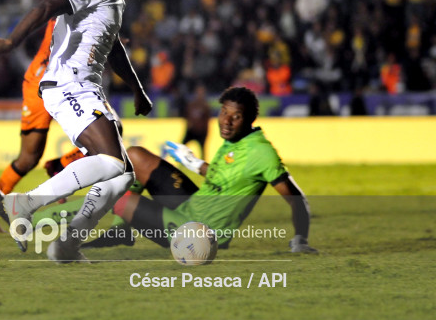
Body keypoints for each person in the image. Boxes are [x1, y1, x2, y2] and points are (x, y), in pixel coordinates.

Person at [0, 0, 154, 262]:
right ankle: (25, 203)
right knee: (113, 161)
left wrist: (137, 88)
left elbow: (113, 49)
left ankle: (67, 244)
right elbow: (47, 6)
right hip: (67, 84)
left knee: (122, 177)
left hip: (87, 88)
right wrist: (10, 43)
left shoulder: (115, 0)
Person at [80, 87, 317, 254]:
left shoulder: (261, 153)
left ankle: (118, 226)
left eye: (236, 116)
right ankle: (119, 233)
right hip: (191, 205)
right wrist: (194, 163)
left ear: (249, 119)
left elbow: (296, 198)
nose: (226, 121)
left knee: (117, 196)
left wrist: (300, 239)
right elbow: (224, 178)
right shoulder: (235, 140)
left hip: (200, 232)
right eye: (224, 112)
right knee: (134, 156)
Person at [0, 0, 109, 233]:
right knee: (30, 157)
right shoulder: (70, 1)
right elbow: (44, 13)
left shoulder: (104, 6)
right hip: (43, 81)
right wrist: (10, 43)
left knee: (105, 143)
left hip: (68, 82)